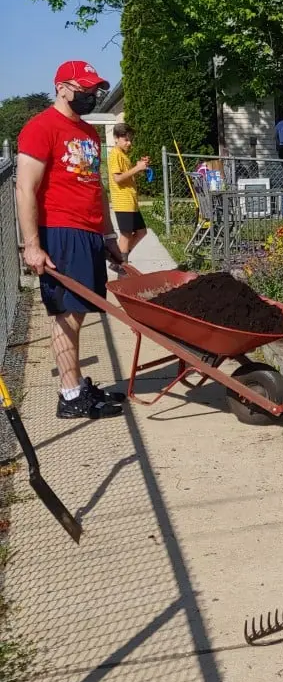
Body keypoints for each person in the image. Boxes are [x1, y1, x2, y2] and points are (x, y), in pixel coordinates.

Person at [16, 60, 128, 420]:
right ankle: (69, 395)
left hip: (89, 232)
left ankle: (76, 385)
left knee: (79, 312)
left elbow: (97, 189)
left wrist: (108, 234)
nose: (91, 95)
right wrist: (32, 244)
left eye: (94, 89)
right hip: (61, 232)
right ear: (62, 87)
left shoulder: (89, 133)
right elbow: (25, 188)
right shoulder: (40, 128)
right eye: (83, 89)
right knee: (67, 314)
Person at [106, 123, 150, 261]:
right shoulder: (115, 154)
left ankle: (119, 258)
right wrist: (137, 169)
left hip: (131, 202)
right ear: (116, 138)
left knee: (141, 231)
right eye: (126, 139)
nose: (129, 143)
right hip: (123, 201)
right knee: (126, 235)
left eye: (130, 139)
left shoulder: (124, 155)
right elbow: (117, 178)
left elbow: (127, 176)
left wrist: (138, 167)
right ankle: (122, 264)